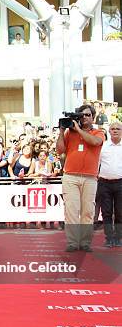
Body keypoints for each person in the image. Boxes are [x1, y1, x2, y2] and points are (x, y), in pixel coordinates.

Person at [56, 104, 105, 252]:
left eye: (88, 115)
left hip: (90, 178)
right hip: (70, 176)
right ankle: (72, 242)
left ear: (93, 117)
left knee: (87, 212)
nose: (84, 117)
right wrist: (61, 131)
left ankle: (85, 242)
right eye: (82, 115)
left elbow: (95, 142)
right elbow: (60, 150)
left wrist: (78, 129)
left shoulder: (98, 132)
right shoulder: (69, 133)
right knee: (71, 211)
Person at [97, 121, 122, 247]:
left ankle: (118, 237)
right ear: (109, 131)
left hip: (120, 183)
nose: (115, 130)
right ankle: (109, 238)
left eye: (118, 128)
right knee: (106, 212)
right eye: (113, 128)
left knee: (120, 212)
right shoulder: (103, 146)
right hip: (104, 183)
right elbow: (97, 163)